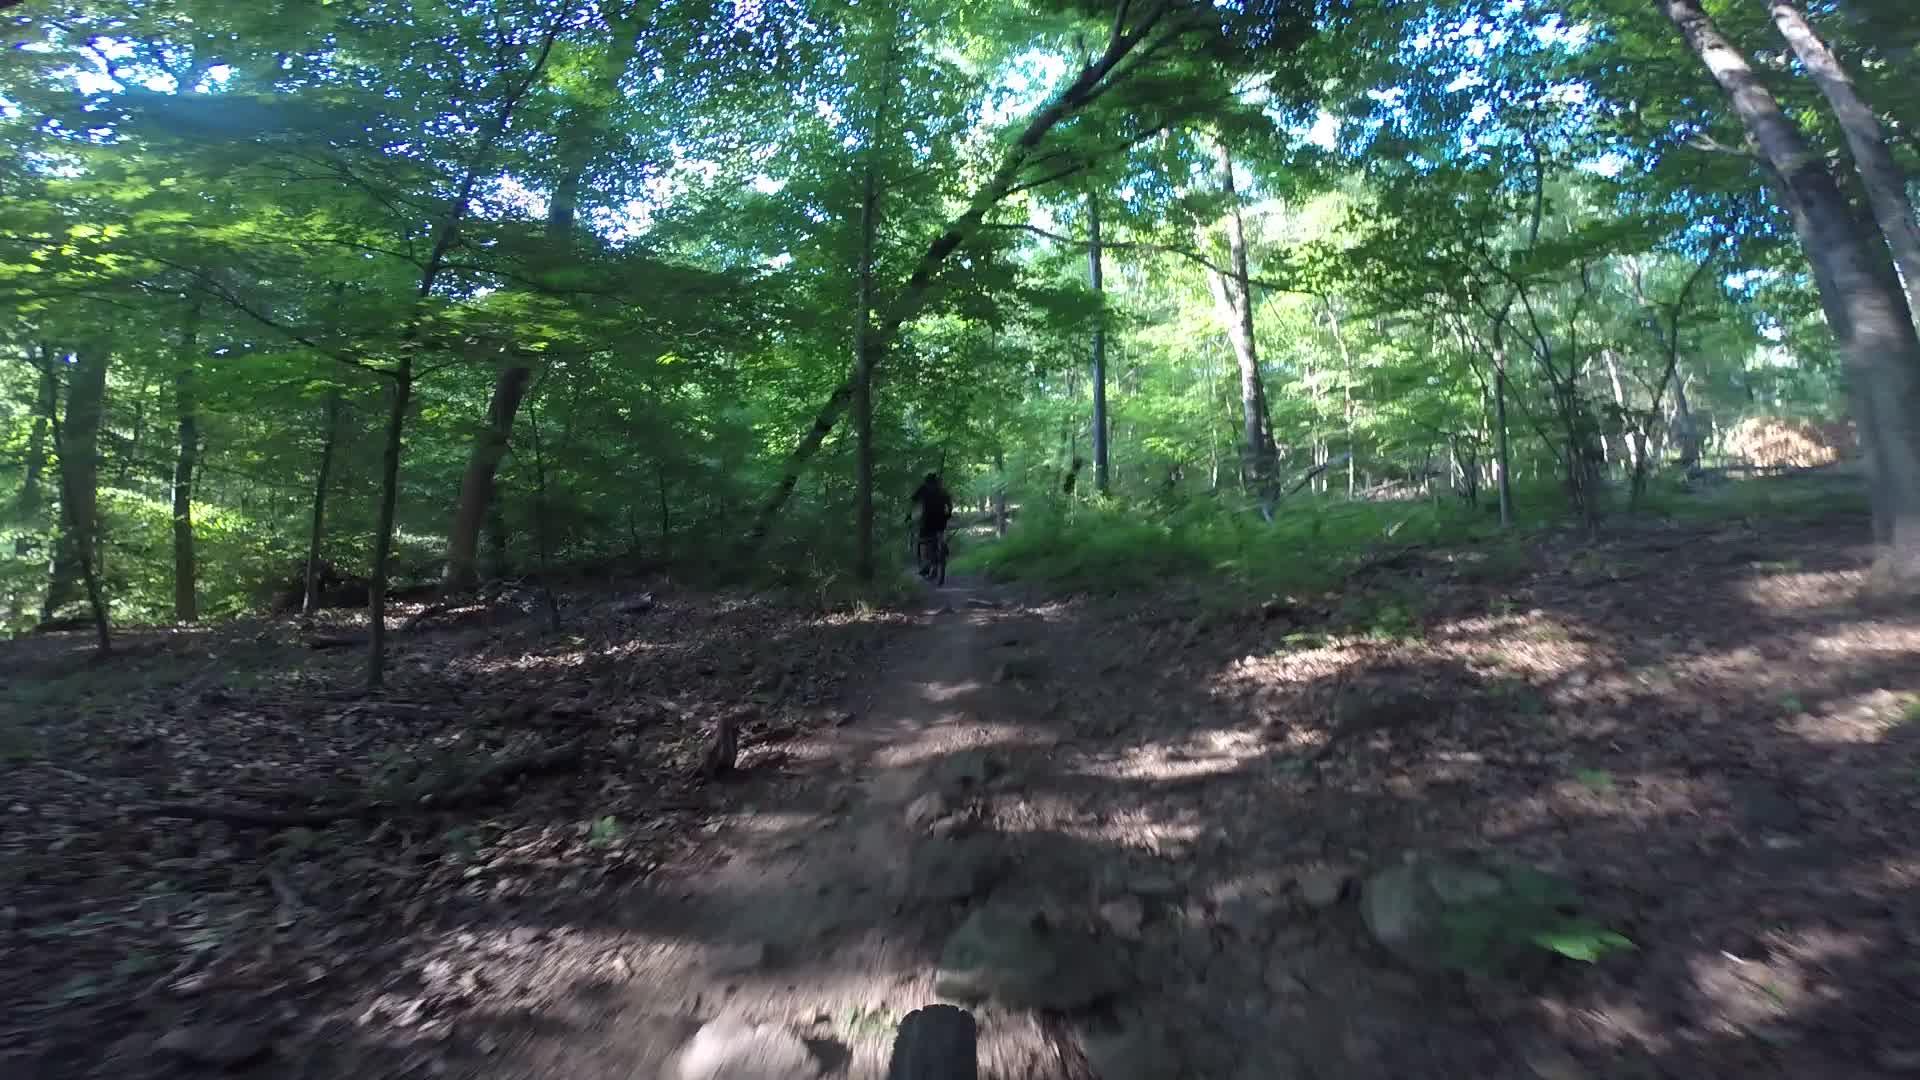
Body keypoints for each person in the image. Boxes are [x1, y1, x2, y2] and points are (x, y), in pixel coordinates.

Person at [908, 472, 953, 577]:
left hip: (928, 519)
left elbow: (913, 500)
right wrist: (949, 513)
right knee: (939, 532)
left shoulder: (923, 488)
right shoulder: (941, 489)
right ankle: (942, 545)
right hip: (942, 518)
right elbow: (949, 503)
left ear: (926, 481)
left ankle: (927, 565)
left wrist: (909, 515)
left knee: (924, 541)